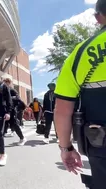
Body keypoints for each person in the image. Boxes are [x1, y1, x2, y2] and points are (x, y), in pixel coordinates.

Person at [54, 1, 106, 188]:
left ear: (98, 17)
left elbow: (62, 109)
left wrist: (66, 147)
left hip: (101, 144)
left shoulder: (80, 54)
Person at [2, 78, 27, 146]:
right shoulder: (3, 91)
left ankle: (22, 138)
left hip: (12, 110)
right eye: (4, 82)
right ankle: (0, 140)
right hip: (6, 110)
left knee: (14, 124)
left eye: (7, 82)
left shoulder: (12, 90)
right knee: (4, 124)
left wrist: (10, 98)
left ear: (9, 83)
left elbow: (18, 98)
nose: (5, 84)